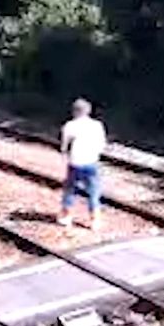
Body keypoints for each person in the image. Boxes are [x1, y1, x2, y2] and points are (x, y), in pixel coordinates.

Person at [58, 98, 107, 230]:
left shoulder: (69, 125)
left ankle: (66, 217)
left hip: (75, 162)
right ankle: (95, 221)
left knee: (70, 190)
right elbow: (102, 145)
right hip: (91, 162)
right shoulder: (97, 125)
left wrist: (66, 155)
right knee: (93, 191)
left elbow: (63, 147)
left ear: (74, 111)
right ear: (89, 111)